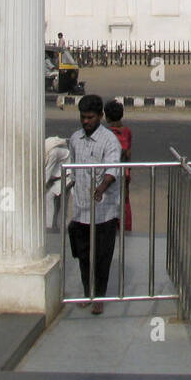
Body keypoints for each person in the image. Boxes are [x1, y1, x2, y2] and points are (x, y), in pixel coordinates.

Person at [67, 94, 122, 314]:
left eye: (90, 117)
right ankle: (87, 291)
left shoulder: (109, 140)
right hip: (81, 209)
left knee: (102, 256)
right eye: (83, 117)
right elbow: (71, 166)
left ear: (100, 116)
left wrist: (101, 188)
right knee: (83, 255)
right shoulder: (74, 138)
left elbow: (113, 168)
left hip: (104, 210)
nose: (86, 121)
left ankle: (99, 295)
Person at [104, 99, 132, 232]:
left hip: (111, 173)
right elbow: (128, 155)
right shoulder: (127, 132)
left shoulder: (107, 135)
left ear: (106, 117)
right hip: (124, 172)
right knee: (124, 203)